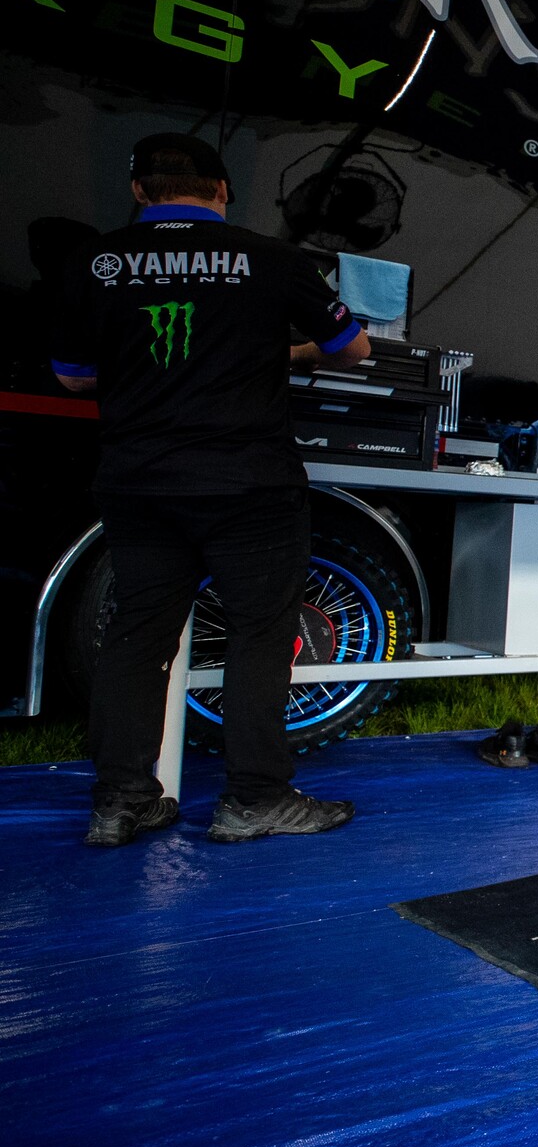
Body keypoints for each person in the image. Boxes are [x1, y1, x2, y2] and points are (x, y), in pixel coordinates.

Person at [53, 133, 373, 847]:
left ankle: (119, 801)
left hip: (138, 480)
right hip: (247, 480)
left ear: (140, 191)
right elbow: (353, 347)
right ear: (223, 192)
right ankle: (256, 798)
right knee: (260, 634)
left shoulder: (93, 263)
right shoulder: (271, 259)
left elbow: (74, 376)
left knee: (137, 637)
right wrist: (278, 349)